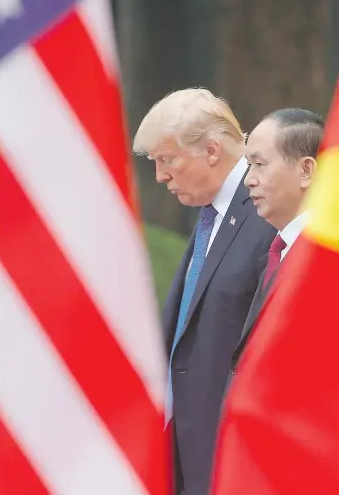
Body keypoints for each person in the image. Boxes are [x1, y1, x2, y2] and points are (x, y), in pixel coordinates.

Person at [133, 88, 276, 495]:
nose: (160, 176)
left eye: (168, 160)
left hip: (231, 462)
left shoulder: (266, 210)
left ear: (212, 150)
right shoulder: (211, 214)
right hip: (187, 460)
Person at [229, 108, 323, 376]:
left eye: (260, 164)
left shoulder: (328, 259)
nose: (249, 180)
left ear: (306, 170)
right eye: (248, 166)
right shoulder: (278, 250)